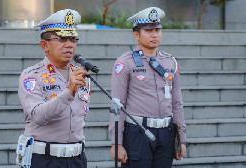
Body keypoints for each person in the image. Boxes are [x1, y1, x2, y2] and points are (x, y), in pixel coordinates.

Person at [109, 7, 187, 168]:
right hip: (138, 132)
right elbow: (117, 106)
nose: (154, 34)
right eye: (148, 30)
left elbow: (177, 103)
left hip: (166, 133)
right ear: (136, 35)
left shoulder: (170, 62)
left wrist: (182, 139)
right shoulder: (125, 63)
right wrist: (116, 143)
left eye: (157, 30)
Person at [17, 9, 90, 168]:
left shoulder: (80, 75)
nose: (69, 44)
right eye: (62, 39)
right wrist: (68, 92)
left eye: (73, 39)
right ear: (45, 45)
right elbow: (37, 116)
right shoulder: (31, 76)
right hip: (46, 159)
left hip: (77, 158)